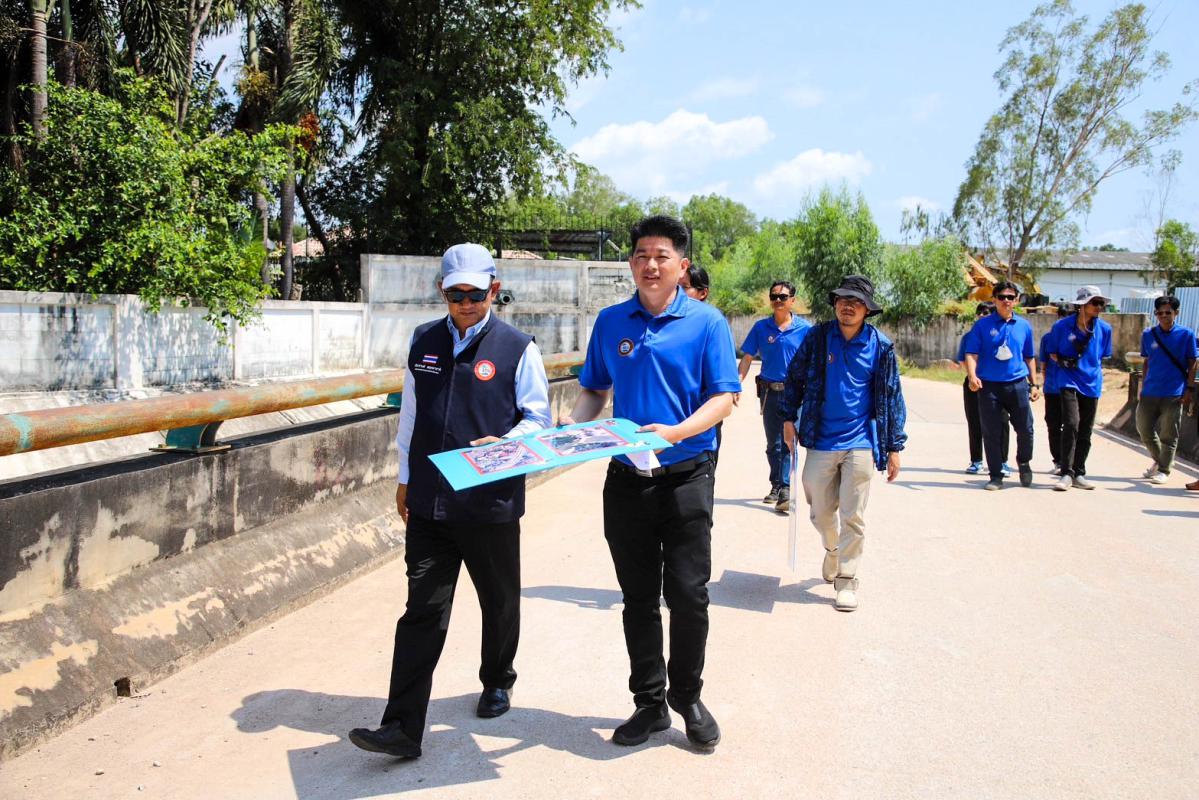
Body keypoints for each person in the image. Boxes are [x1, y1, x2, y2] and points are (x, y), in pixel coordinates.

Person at [349, 243, 551, 759]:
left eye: (475, 294)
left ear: (494, 289)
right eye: (455, 293)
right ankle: (401, 728)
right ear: (441, 290)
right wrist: (404, 478)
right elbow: (411, 416)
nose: (465, 303)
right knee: (422, 611)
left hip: (489, 504)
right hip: (431, 503)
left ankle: (497, 678)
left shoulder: (518, 348)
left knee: (499, 601)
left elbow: (538, 420)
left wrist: (505, 443)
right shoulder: (424, 341)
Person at [562, 215, 739, 750]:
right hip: (626, 481)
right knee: (637, 598)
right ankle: (650, 703)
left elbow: (724, 398)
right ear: (631, 264)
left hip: (687, 476)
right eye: (641, 255)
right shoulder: (612, 321)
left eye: (662, 256)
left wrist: (676, 432)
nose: (650, 265)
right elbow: (594, 391)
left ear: (682, 266)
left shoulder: (707, 323)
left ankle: (687, 696)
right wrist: (572, 427)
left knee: (688, 595)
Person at [780, 275, 906, 612]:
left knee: (854, 514)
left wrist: (894, 447)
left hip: (860, 441)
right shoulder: (818, 338)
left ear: (867, 309)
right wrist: (788, 418)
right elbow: (794, 377)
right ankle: (832, 549)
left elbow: (892, 397)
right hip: (821, 438)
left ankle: (847, 580)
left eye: (856, 302)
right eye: (842, 300)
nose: (847, 306)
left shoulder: (881, 346)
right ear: (835, 304)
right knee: (820, 512)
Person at [737, 280, 811, 513]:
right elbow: (747, 358)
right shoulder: (761, 328)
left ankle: (786, 488)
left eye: (783, 297)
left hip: (795, 394)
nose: (778, 300)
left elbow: (815, 362)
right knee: (773, 444)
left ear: (792, 300)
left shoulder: (805, 329)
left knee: (789, 442)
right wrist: (736, 384)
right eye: (774, 296)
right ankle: (776, 485)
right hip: (769, 393)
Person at [963, 281, 1040, 490]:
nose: (1006, 301)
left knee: (1026, 428)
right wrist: (972, 376)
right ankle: (996, 475)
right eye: (1002, 297)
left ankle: (1023, 462)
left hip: (1017, 385)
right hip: (989, 387)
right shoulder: (982, 326)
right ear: (994, 299)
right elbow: (971, 353)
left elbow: (1029, 356)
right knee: (992, 432)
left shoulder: (1024, 326)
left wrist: (1034, 384)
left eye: (1010, 297)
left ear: (1016, 300)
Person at [1047, 286, 1112, 492]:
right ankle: (1066, 472)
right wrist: (1065, 363)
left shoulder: (1105, 329)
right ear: (1082, 305)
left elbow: (1102, 356)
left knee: (1085, 429)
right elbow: (1052, 353)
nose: (1099, 307)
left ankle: (1079, 472)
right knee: (1071, 424)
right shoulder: (1061, 326)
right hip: (1068, 380)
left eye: (1101, 303)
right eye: (1095, 303)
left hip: (1091, 384)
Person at [679, 263, 739, 466]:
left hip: (702, 414)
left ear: (703, 293)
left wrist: (730, 387)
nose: (677, 292)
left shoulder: (712, 322)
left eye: (684, 287)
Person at [1136, 295, 1197, 485]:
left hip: (1174, 392)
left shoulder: (1186, 334)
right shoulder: (1148, 334)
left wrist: (1189, 389)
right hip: (1150, 390)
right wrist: (1143, 385)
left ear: (1176, 313)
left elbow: (1192, 362)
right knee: (1143, 429)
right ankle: (1160, 460)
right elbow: (1147, 361)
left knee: (1169, 434)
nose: (1163, 316)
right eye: (1159, 313)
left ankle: (1164, 470)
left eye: (1168, 312)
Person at [957, 301, 1011, 475]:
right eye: (979, 312)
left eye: (986, 312)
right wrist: (973, 375)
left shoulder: (1001, 334)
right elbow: (963, 360)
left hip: (996, 382)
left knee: (1002, 421)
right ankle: (976, 461)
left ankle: (1003, 461)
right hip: (973, 383)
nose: (982, 315)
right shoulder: (968, 337)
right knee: (975, 421)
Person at [1039, 309, 1067, 475]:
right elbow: (1043, 364)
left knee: (1071, 425)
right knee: (1053, 425)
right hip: (1052, 389)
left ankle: (1070, 461)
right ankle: (1058, 460)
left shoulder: (1079, 338)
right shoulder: (1048, 338)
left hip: (1072, 388)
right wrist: (1045, 382)